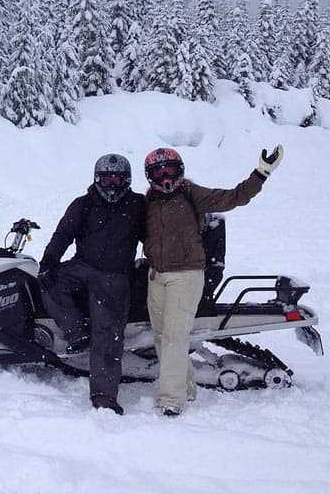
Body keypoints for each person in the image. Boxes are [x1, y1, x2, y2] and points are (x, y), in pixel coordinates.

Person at [142, 145, 284, 416]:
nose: (165, 178)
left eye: (169, 171)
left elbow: (233, 197)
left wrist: (261, 173)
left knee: (175, 337)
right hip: (156, 276)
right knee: (161, 337)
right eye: (158, 173)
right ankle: (188, 388)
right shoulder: (149, 202)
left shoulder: (192, 194)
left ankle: (172, 399)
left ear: (179, 171)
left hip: (186, 276)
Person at [38, 153, 146, 415]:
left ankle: (104, 395)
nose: (111, 184)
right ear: (97, 179)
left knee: (108, 334)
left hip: (115, 275)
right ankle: (76, 334)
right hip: (81, 266)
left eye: (117, 178)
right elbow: (63, 233)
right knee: (46, 281)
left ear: (126, 179)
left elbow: (154, 236)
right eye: (106, 178)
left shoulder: (137, 205)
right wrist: (49, 260)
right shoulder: (83, 204)